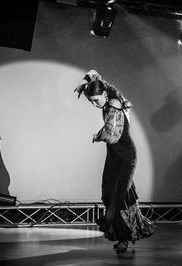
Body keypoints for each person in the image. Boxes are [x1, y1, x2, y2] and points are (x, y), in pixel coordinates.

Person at [75, 70, 155, 252]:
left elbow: (112, 134)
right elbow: (93, 72)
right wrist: (83, 82)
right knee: (108, 195)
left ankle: (125, 237)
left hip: (126, 157)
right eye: (91, 102)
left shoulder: (114, 103)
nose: (95, 105)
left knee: (120, 198)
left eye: (96, 100)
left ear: (104, 94)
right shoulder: (107, 94)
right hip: (114, 156)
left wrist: (97, 135)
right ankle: (129, 230)